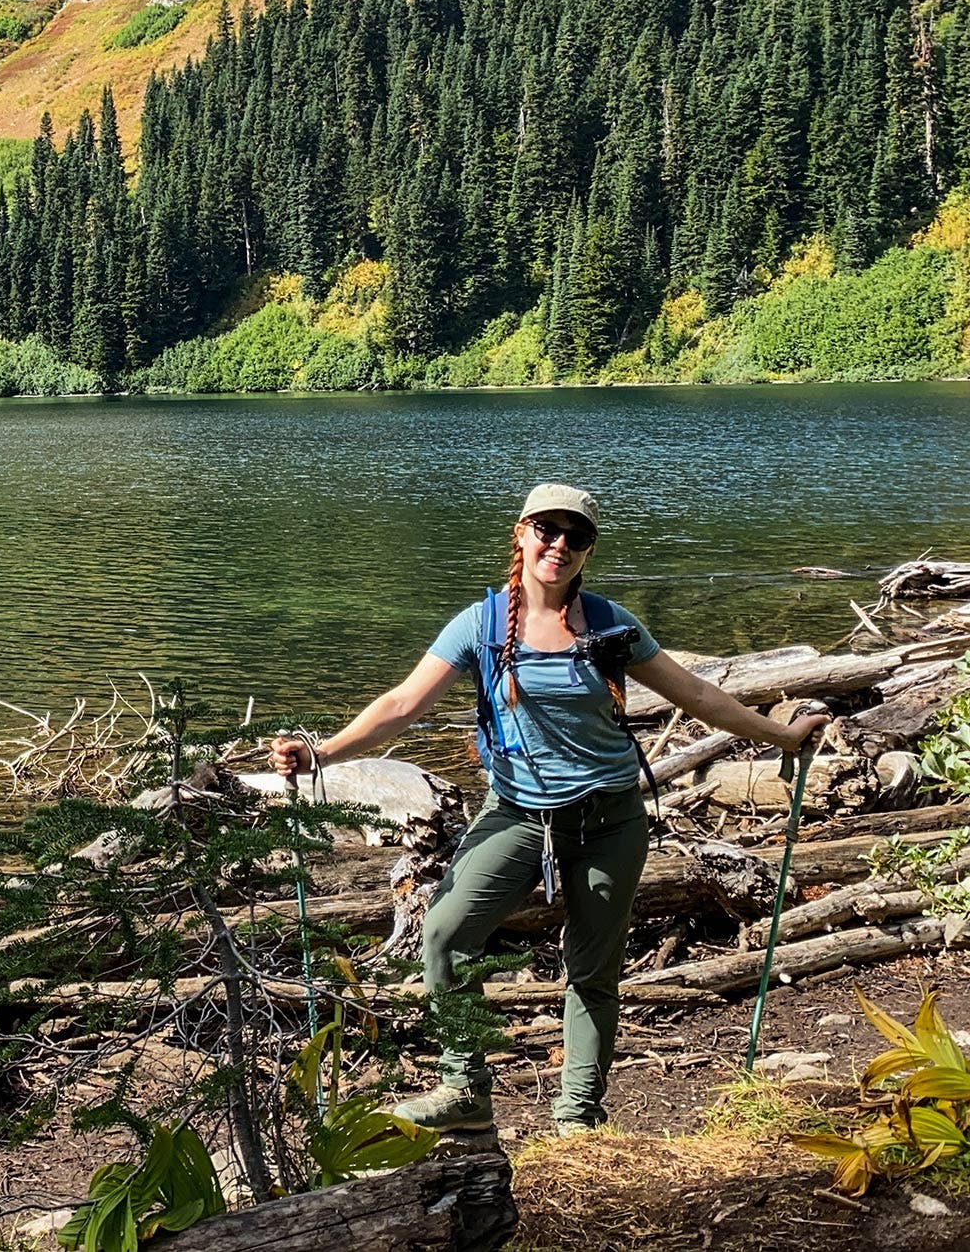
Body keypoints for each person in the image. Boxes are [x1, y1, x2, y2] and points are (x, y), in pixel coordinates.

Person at [269, 484, 829, 1135]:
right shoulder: (480, 624)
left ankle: (578, 1118)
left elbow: (698, 693)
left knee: (592, 970)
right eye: (547, 529)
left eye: (575, 535)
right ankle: (465, 1089)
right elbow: (401, 705)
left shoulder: (612, 624)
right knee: (446, 932)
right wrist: (324, 753)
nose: (558, 544)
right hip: (516, 814)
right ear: (522, 533)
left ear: (588, 549)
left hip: (609, 820)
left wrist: (782, 736)